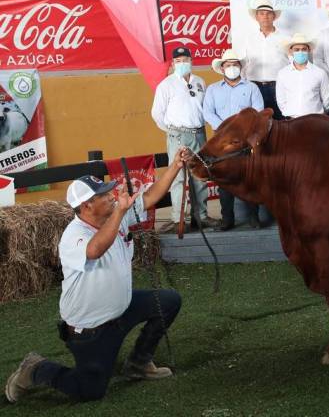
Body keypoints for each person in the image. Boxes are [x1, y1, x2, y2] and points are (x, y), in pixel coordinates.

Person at [4, 150, 191, 403]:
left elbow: (151, 196)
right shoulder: (74, 235)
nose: (112, 196)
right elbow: (94, 249)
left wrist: (176, 166)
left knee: (168, 301)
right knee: (90, 391)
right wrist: (119, 213)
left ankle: (138, 362)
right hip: (90, 329)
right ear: (87, 206)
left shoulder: (113, 214)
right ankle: (35, 368)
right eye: (104, 195)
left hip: (120, 309)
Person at [204, 49, 272, 231]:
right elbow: (208, 112)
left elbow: (258, 111)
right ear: (222, 68)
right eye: (228, 65)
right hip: (222, 144)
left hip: (244, 143)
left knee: (250, 179)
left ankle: (253, 218)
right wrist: (226, 131)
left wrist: (241, 132)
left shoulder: (251, 88)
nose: (232, 67)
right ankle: (227, 219)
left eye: (235, 64)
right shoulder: (212, 90)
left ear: (240, 67)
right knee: (224, 181)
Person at [150, 45, 207, 233]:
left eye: (186, 60)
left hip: (198, 133)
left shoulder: (200, 82)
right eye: (178, 61)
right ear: (173, 63)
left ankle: (202, 216)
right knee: (178, 178)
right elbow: (157, 113)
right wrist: (172, 131)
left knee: (199, 176)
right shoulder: (166, 85)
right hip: (178, 134)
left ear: (191, 61)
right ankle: (179, 219)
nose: (183, 64)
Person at [238, 0, 289, 119]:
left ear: (274, 16)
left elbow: (291, 63)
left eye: (268, 14)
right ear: (256, 17)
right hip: (253, 86)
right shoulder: (248, 39)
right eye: (261, 14)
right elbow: (243, 63)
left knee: (280, 121)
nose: (265, 16)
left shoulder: (285, 38)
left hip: (277, 85)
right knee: (256, 123)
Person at [275, 33, 329, 118]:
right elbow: (281, 100)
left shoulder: (320, 73)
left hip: (314, 121)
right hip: (291, 121)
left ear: (309, 50)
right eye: (297, 49)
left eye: (304, 49)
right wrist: (291, 113)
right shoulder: (283, 74)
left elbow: (327, 101)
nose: (300, 52)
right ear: (291, 51)